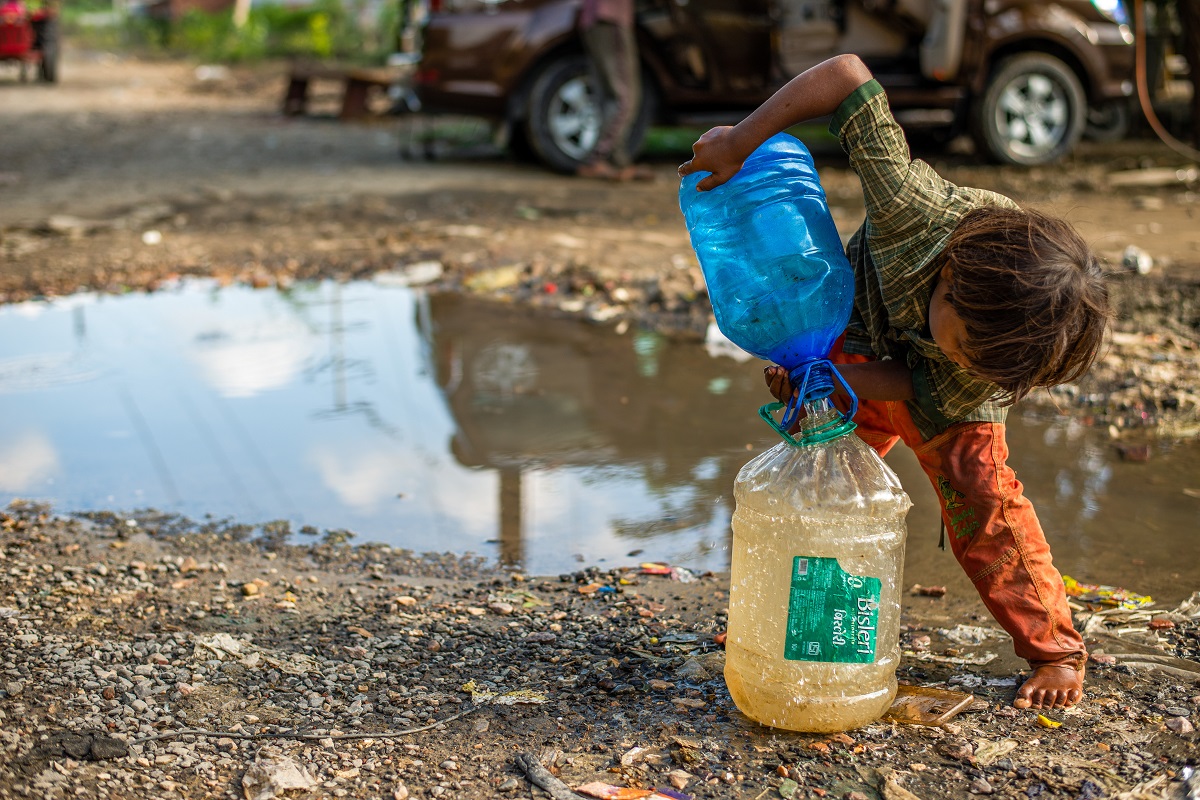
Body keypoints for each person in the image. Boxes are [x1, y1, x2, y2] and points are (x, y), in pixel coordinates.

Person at [678, 54, 1111, 710]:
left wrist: (849, 383)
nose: (965, 362)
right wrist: (743, 140)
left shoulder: (976, 378)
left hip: (925, 395)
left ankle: (1055, 650)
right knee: (817, 476)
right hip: (856, 329)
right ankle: (787, 621)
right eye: (964, 345)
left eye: (981, 365)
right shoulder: (914, 210)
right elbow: (847, 76)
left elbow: (921, 381)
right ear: (955, 277)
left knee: (986, 514)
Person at [575, 0, 651, 181]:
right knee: (624, 96)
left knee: (608, 95)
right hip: (610, 13)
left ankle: (618, 162)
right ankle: (598, 160)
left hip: (596, 15)